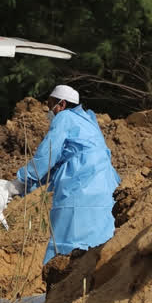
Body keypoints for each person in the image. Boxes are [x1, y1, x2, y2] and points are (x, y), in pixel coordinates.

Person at [7, 85, 120, 265]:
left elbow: (47, 156)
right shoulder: (88, 120)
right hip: (104, 189)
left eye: (51, 105)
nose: (49, 111)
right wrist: (28, 186)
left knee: (68, 248)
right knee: (98, 247)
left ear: (61, 104)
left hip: (80, 191)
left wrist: (21, 179)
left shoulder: (65, 117)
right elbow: (60, 163)